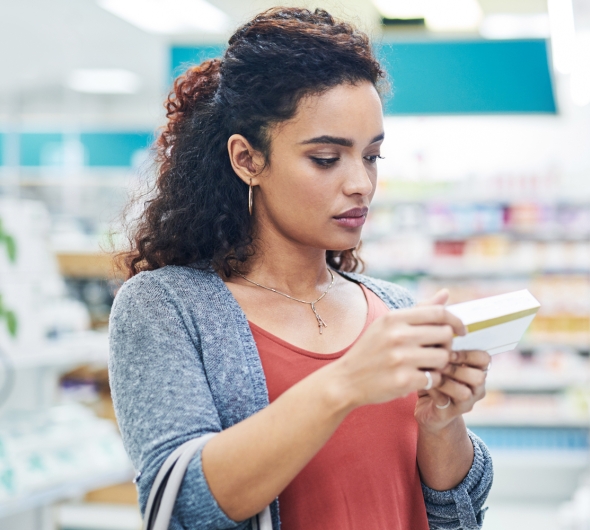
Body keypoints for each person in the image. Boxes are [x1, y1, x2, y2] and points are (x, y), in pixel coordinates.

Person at [109, 7, 492, 530]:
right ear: (247, 159)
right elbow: (179, 505)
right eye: (326, 158)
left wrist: (442, 423)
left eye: (372, 157)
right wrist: (346, 382)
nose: (360, 183)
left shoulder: (395, 308)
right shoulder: (165, 308)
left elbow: (457, 518)